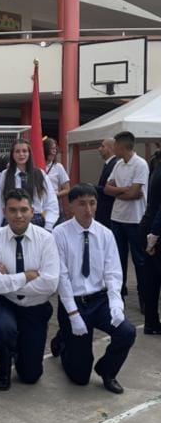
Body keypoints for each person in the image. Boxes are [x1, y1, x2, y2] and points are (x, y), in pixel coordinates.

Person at [54, 184, 136, 393]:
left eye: (92, 203)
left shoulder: (105, 234)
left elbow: (113, 272)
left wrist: (116, 303)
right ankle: (64, 340)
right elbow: (62, 276)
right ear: (71, 206)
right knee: (80, 377)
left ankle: (107, 371)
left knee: (126, 332)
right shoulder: (60, 233)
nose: (88, 210)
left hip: (99, 301)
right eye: (82, 204)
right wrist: (73, 314)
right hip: (74, 301)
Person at [0, 189, 61, 391]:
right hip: (7, 303)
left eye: (24, 210)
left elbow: (50, 284)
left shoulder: (46, 239)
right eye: (13, 210)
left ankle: (20, 349)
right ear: (4, 211)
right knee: (4, 328)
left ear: (32, 211)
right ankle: (4, 362)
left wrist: (8, 278)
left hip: (35, 307)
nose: (18, 215)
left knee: (30, 375)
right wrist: (26, 276)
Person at [105, 131, 150, 327]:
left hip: (135, 220)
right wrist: (124, 190)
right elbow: (107, 188)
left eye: (115, 145)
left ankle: (144, 297)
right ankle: (119, 296)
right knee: (118, 259)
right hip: (117, 218)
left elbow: (135, 193)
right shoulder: (118, 164)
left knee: (139, 260)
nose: (113, 148)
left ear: (122, 146)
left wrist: (119, 192)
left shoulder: (140, 164)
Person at [0, 138, 58, 230]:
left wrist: (48, 225)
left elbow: (51, 201)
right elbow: (0, 203)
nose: (21, 154)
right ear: (12, 154)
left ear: (29, 153)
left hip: (35, 220)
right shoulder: (5, 175)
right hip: (12, 220)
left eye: (24, 151)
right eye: (17, 151)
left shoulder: (39, 174)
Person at [138, 155, 160, 334]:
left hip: (148, 226)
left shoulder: (157, 167)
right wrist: (155, 234)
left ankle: (151, 323)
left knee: (151, 280)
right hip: (156, 230)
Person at [42, 137, 71, 214]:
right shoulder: (36, 166)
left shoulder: (58, 167)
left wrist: (54, 195)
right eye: (52, 149)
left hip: (54, 203)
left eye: (55, 149)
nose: (54, 151)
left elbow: (67, 189)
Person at [94, 137, 118, 230]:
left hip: (108, 210)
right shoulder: (109, 164)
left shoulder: (115, 164)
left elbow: (109, 188)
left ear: (110, 148)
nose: (99, 149)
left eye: (102, 146)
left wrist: (93, 187)